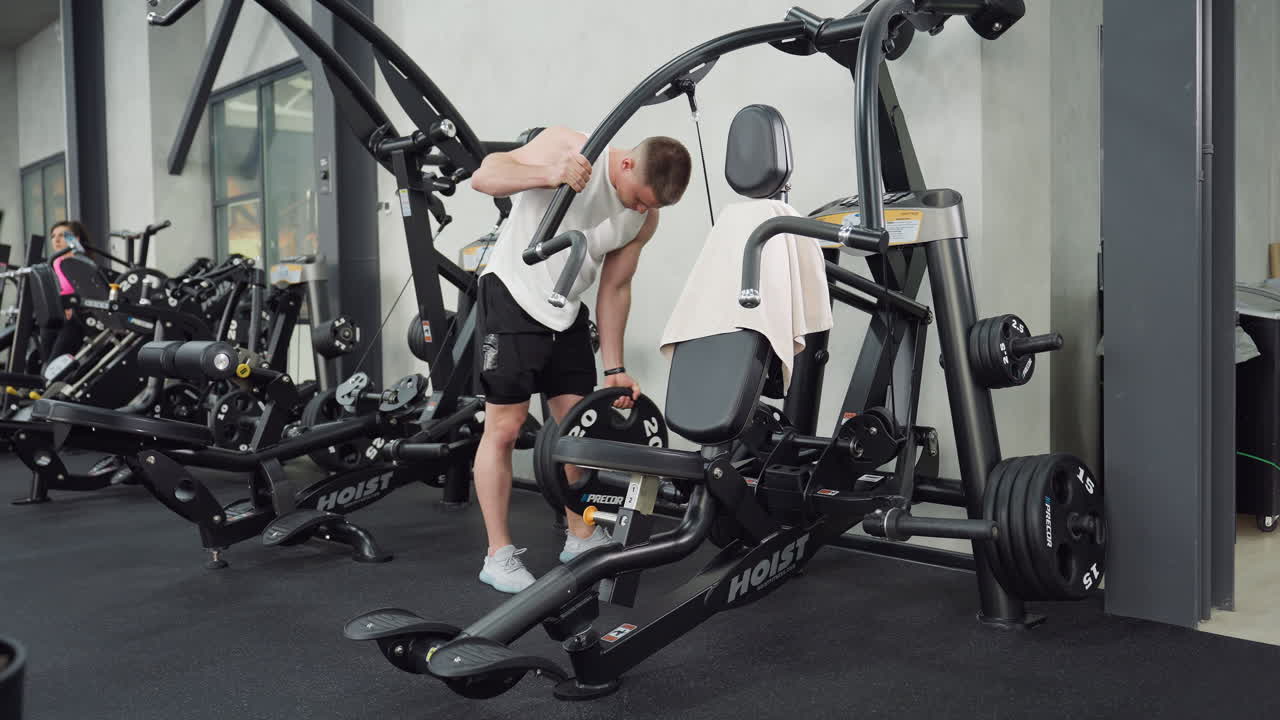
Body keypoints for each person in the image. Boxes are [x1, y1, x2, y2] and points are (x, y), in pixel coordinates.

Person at [468, 126, 691, 593]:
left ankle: (580, 534)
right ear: (627, 163)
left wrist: (615, 368)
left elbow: (615, 288)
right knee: (504, 429)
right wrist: (549, 172)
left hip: (566, 309)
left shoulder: (644, 218)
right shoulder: (570, 146)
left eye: (650, 206)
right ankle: (498, 554)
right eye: (637, 199)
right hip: (512, 294)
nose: (639, 209)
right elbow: (484, 176)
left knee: (578, 430)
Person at [43, 221, 92, 363]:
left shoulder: (82, 263)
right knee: (46, 362)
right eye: (53, 236)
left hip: (75, 318)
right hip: (56, 316)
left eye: (62, 235)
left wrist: (70, 305)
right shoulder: (55, 262)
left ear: (75, 239)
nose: (56, 240)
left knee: (57, 361)